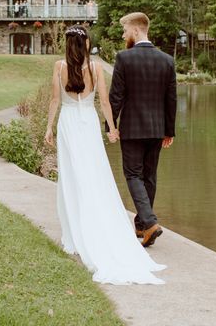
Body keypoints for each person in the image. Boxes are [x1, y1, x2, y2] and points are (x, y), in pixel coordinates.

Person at [44, 25, 166, 285]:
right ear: (85, 43)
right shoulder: (96, 68)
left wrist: (48, 128)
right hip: (87, 124)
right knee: (95, 174)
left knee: (72, 176)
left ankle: (76, 231)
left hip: (68, 123)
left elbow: (55, 100)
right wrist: (112, 128)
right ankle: (98, 224)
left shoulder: (58, 66)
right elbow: (105, 102)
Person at [109, 12, 177, 248]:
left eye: (125, 30)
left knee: (133, 174)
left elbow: (115, 97)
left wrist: (110, 126)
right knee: (149, 175)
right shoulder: (167, 60)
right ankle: (141, 225)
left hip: (132, 128)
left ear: (136, 30)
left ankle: (149, 222)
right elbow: (171, 99)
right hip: (157, 128)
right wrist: (169, 130)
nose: (123, 34)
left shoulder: (124, 58)